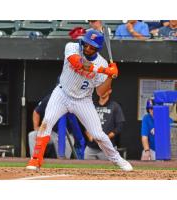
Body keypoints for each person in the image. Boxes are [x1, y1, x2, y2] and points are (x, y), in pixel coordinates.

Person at [26, 29, 133, 171]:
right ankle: (35, 160)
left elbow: (101, 92)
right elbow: (77, 63)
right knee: (46, 123)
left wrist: (110, 76)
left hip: (83, 100)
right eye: (86, 44)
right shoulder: (72, 47)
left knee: (98, 135)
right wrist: (105, 70)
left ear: (98, 48)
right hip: (62, 93)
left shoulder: (102, 63)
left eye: (92, 46)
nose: (88, 48)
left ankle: (117, 160)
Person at [28, 94, 86, 159]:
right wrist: (36, 127)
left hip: (66, 135)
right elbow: (36, 112)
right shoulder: (50, 98)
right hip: (50, 132)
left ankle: (61, 165)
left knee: (63, 158)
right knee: (32, 135)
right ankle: (35, 159)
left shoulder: (73, 101)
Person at [84, 89, 125, 160]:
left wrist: (106, 138)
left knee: (108, 170)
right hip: (91, 147)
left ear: (109, 91)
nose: (102, 91)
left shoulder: (115, 106)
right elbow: (85, 122)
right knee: (86, 169)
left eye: (105, 89)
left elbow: (119, 126)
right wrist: (89, 135)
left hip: (108, 147)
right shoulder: (92, 105)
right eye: (101, 89)